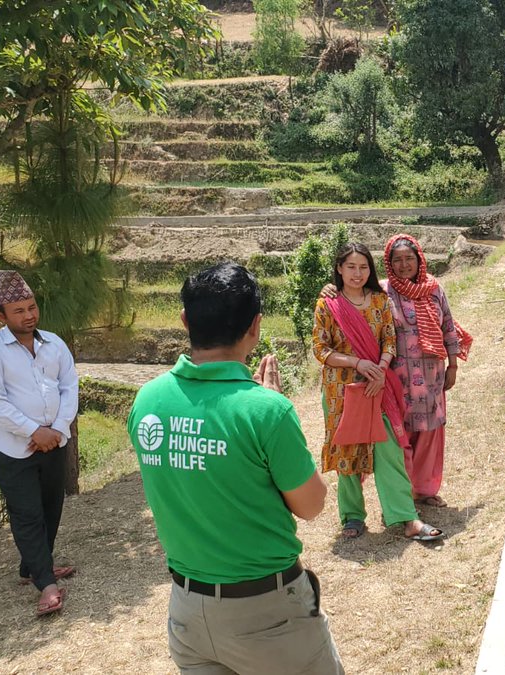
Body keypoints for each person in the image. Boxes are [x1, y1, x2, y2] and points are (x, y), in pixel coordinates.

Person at [127, 262, 344, 674]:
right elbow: (311, 505)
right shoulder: (266, 411)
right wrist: (269, 408)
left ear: (185, 320)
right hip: (268, 613)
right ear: (256, 326)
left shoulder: (148, 401)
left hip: (187, 612)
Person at [312, 242, 445, 541]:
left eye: (363, 267)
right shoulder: (328, 304)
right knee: (347, 450)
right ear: (338, 269)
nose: (357, 273)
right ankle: (352, 517)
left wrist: (381, 370)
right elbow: (321, 349)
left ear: (371, 270)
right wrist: (359, 363)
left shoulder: (380, 300)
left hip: (376, 385)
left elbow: (389, 340)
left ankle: (406, 517)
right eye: (350, 267)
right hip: (341, 389)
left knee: (389, 449)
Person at [0, 270, 78, 617]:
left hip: (54, 442)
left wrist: (57, 429)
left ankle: (32, 566)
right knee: (28, 515)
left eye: (31, 307)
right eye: (19, 311)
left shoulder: (54, 344)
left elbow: (69, 386)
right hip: (13, 450)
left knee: (50, 507)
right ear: (1, 316)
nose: (29, 315)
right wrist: (34, 431)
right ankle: (46, 584)